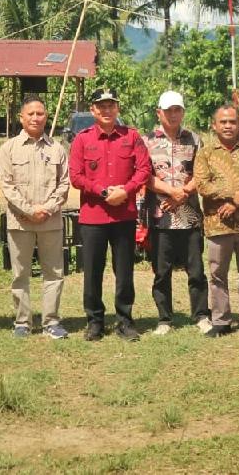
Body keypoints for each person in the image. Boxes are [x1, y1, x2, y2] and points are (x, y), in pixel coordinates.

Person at [69, 87, 152, 342]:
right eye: (101, 106)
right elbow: (76, 176)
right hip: (93, 216)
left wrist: (125, 191)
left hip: (123, 216)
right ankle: (94, 321)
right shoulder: (82, 139)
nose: (106, 110)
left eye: (110, 105)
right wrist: (103, 192)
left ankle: (125, 321)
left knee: (124, 271)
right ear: (93, 109)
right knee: (92, 271)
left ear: (117, 108)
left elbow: (144, 169)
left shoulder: (132, 137)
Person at [0, 97, 70, 339]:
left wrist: (46, 209)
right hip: (20, 222)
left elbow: (64, 185)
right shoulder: (8, 148)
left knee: (54, 272)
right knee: (20, 274)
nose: (36, 118)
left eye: (40, 113)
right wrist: (29, 210)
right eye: (31, 113)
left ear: (46, 117)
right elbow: (7, 186)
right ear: (21, 118)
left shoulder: (57, 149)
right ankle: (22, 322)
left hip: (50, 222)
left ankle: (51, 321)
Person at [196, 104, 239, 337]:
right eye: (223, 122)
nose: (228, 126)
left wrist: (237, 202)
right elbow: (203, 185)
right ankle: (221, 320)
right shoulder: (205, 153)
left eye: (232, 122)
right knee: (218, 274)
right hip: (218, 224)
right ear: (214, 125)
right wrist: (231, 194)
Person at [143, 90, 210, 336]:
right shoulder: (147, 141)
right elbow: (145, 175)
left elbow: (202, 172)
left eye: (177, 110)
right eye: (168, 110)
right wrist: (172, 193)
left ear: (182, 112)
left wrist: (182, 193)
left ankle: (201, 315)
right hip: (161, 217)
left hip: (190, 216)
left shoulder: (194, 139)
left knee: (196, 270)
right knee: (162, 272)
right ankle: (164, 319)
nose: (173, 114)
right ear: (158, 112)